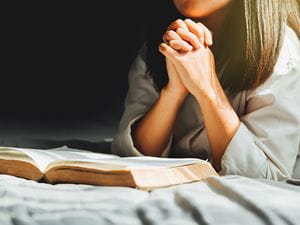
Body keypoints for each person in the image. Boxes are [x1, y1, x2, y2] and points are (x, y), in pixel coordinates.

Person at [111, 0, 300, 181]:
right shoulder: (161, 43)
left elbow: (266, 175)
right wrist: (174, 91)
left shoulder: (283, 56)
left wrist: (207, 89)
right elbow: (132, 154)